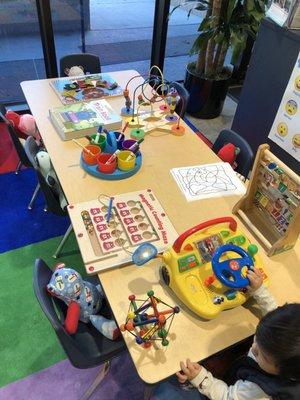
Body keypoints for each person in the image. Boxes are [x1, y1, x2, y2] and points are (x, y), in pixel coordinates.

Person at [153, 268, 300, 399]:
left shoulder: (259, 389)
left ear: (287, 374)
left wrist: (202, 379)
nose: (254, 348)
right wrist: (260, 290)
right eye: (258, 339)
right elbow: (272, 313)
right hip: (245, 367)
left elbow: (228, 396)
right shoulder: (280, 342)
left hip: (236, 385)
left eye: (264, 356)